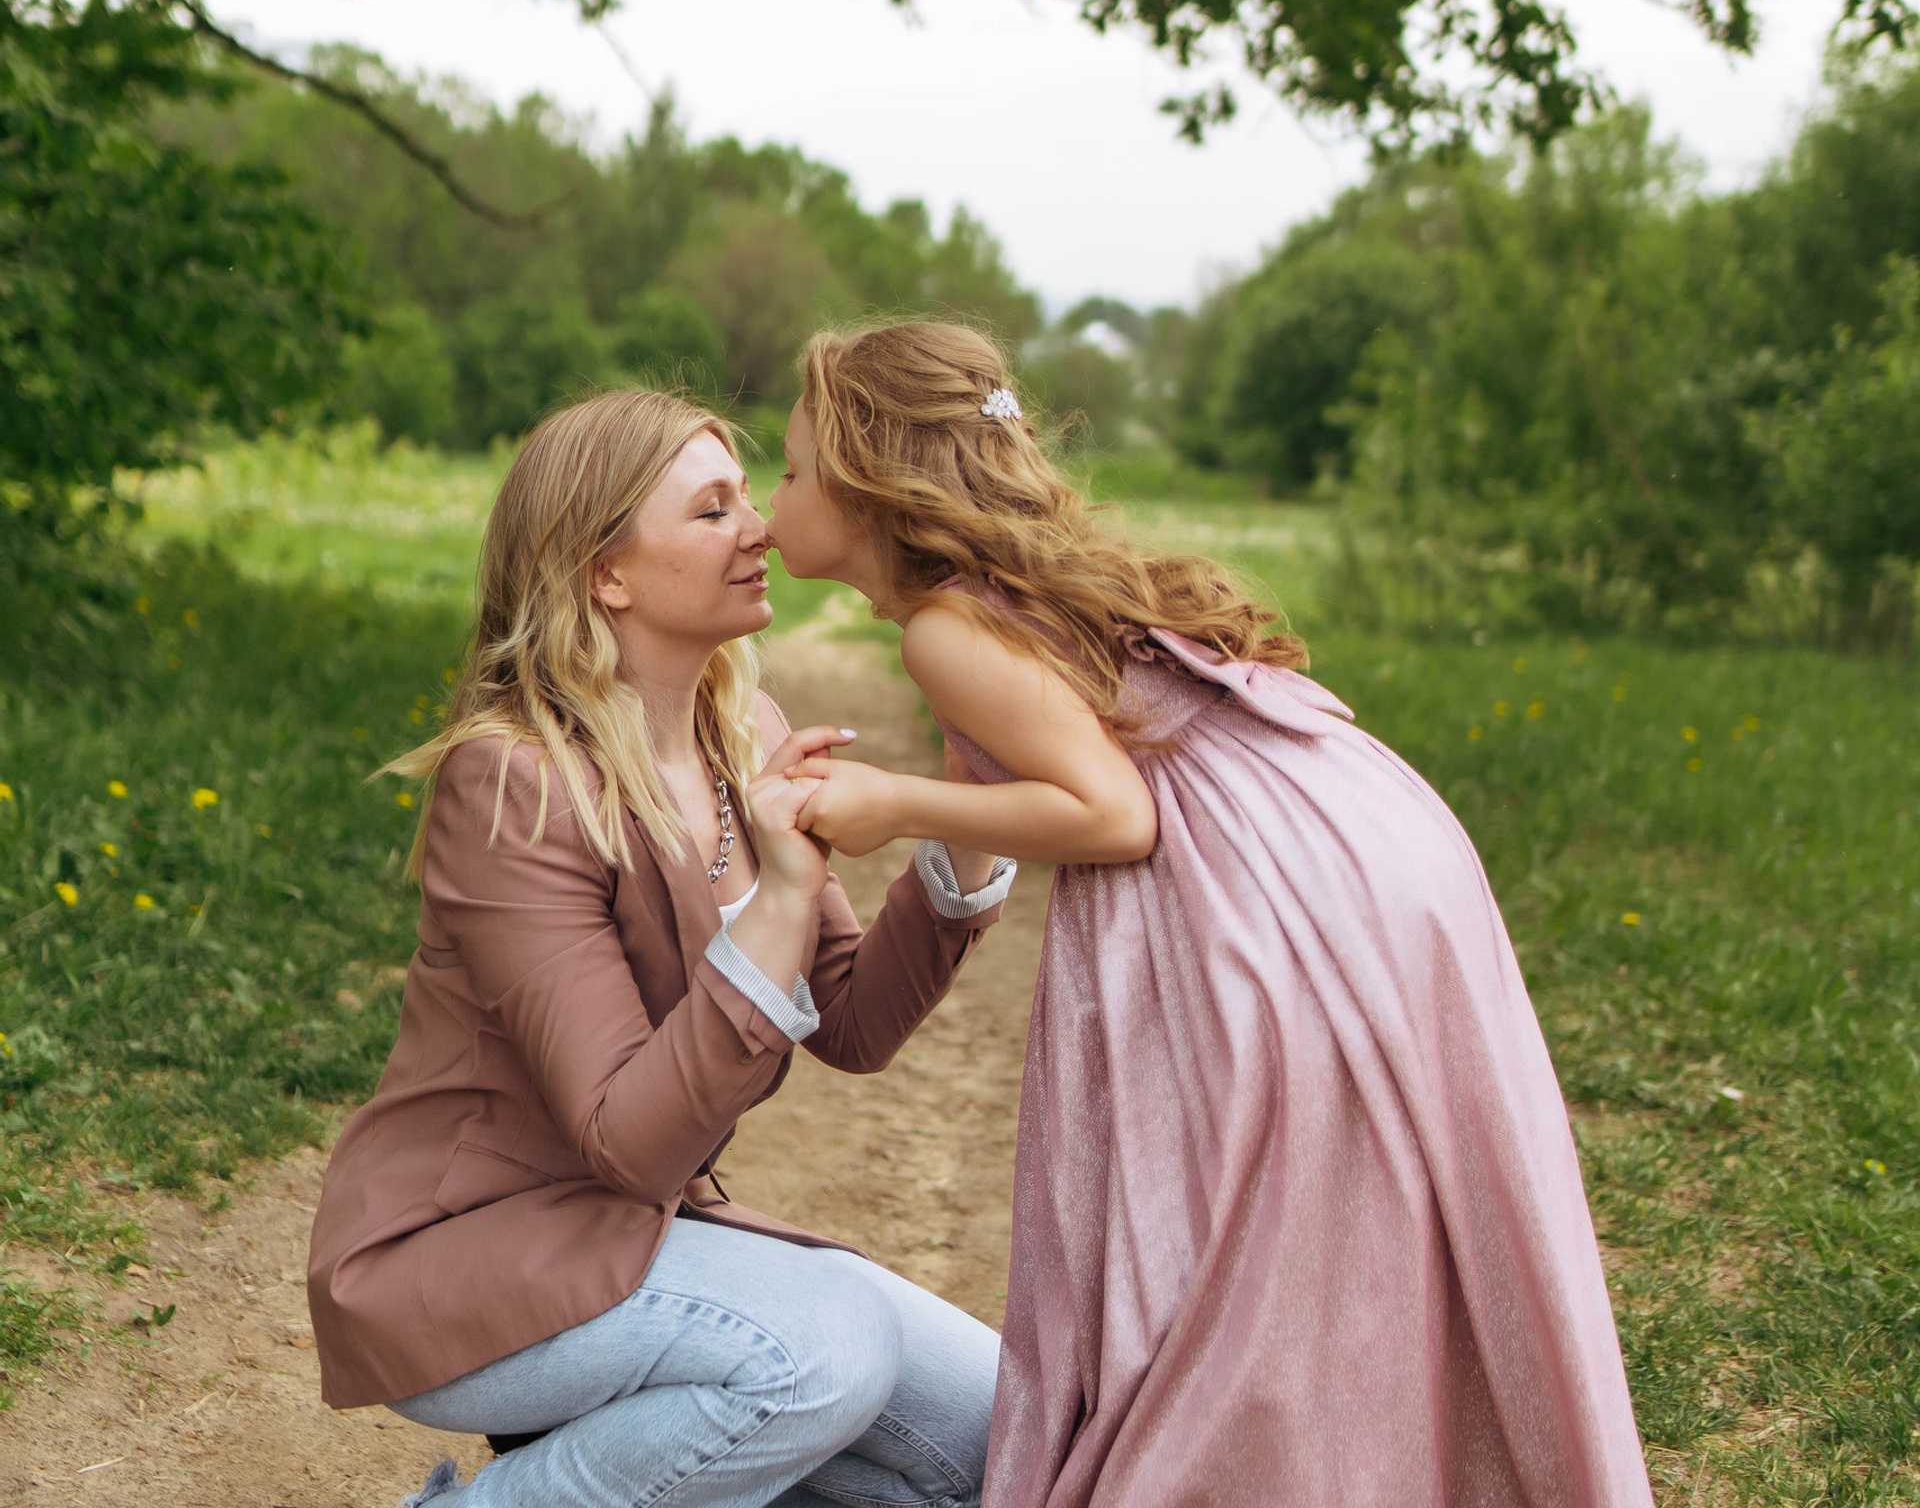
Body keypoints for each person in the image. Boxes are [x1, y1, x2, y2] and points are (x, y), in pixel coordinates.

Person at [765, 322, 1655, 1508]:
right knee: (1359, 1205)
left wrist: (883, 803)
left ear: (870, 481)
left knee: (1240, 1242)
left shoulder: (947, 626)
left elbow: (1113, 814)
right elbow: (1005, 782)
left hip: (1271, 892)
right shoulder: (986, 601)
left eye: (787, 469)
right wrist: (937, 836)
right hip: (1352, 838)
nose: (771, 500)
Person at [306, 388, 1014, 1508]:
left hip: (643, 1238)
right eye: (712, 509)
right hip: (466, 1255)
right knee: (826, 1352)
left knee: (1010, 1438)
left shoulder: (750, 734)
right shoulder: (517, 782)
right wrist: (783, 895)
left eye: (750, 495)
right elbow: (628, 1143)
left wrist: (969, 805)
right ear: (607, 575)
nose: (761, 528)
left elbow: (855, 1021)